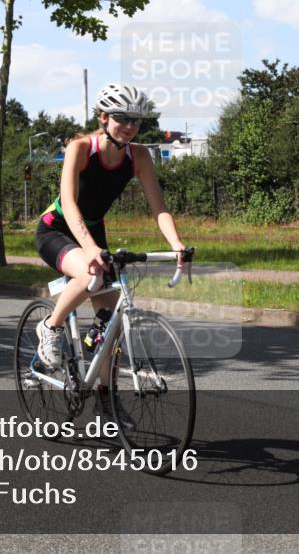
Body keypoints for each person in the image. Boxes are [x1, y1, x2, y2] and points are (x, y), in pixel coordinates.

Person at [34, 82, 188, 406]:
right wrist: (89, 249)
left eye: (136, 120)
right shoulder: (80, 148)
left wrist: (176, 244)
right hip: (58, 229)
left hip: (93, 231)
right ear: (104, 117)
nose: (130, 127)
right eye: (122, 118)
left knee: (109, 327)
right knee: (91, 275)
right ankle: (51, 326)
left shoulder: (140, 156)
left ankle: (107, 400)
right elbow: (69, 202)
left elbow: (158, 207)